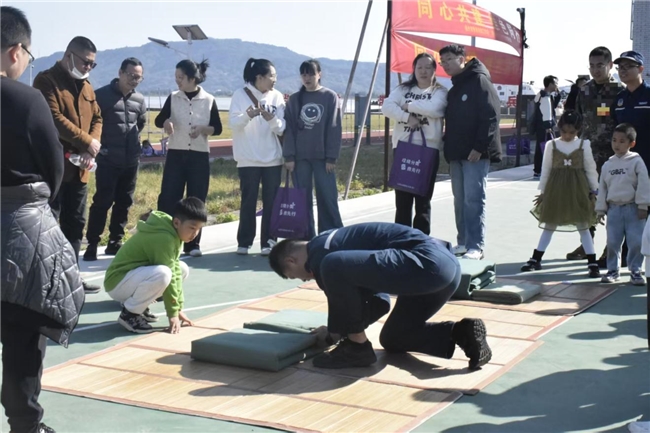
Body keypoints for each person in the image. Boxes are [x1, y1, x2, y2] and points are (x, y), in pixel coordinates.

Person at [1, 7, 84, 433]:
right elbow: (53, 170)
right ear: (16, 51)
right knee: (22, 337)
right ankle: (25, 424)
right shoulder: (25, 99)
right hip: (21, 228)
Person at [268, 222, 492, 370]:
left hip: (427, 262)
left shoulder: (320, 254)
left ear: (291, 261)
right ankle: (462, 333)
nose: (304, 280)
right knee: (394, 338)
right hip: (444, 267)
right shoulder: (334, 242)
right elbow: (379, 303)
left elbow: (343, 302)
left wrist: (333, 335)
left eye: (295, 276)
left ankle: (356, 348)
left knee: (331, 265)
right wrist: (336, 330)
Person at [33, 36, 103, 294]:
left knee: (75, 226)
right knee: (49, 226)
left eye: (92, 64)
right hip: (54, 170)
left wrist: (91, 145)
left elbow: (97, 117)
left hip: (80, 169)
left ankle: (71, 277)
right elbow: (53, 118)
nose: (88, 67)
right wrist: (86, 142)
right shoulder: (46, 81)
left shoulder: (87, 87)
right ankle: (47, 282)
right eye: (86, 62)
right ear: (69, 55)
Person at [103, 197, 207, 334]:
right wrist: (172, 314)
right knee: (163, 274)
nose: (195, 234)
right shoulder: (164, 238)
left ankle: (140, 307)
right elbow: (170, 275)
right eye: (192, 228)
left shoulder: (174, 233)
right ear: (177, 222)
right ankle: (129, 315)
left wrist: (178, 308)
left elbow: (175, 271)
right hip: (117, 283)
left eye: (199, 229)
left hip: (131, 279)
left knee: (182, 269)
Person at [439, 44, 502, 260]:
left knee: (473, 199)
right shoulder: (455, 87)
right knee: (460, 200)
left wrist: (479, 147)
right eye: (442, 61)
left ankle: (476, 245)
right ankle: (463, 242)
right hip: (456, 153)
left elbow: (491, 116)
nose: (445, 64)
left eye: (449, 59)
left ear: (462, 59)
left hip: (475, 154)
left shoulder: (479, 80)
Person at [155, 59, 222, 258]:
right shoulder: (173, 97)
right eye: (176, 77)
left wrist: (203, 129)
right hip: (176, 154)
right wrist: (167, 123)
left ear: (192, 79)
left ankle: (192, 244)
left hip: (199, 156)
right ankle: (167, 241)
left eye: (181, 77)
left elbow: (217, 128)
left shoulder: (209, 99)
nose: (177, 81)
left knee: (196, 199)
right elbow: (159, 119)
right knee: (169, 197)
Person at [521, 111, 600, 277]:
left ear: (578, 130)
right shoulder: (552, 145)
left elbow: (590, 169)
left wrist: (594, 191)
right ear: (559, 128)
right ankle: (536, 258)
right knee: (550, 223)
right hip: (555, 190)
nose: (567, 135)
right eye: (564, 132)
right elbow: (546, 169)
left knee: (583, 225)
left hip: (578, 190)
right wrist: (543, 192)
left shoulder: (584, 145)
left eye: (572, 132)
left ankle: (592, 262)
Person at [83, 57, 147, 261]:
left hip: (131, 161)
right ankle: (92, 243)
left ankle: (115, 242)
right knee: (102, 202)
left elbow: (140, 124)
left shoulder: (140, 100)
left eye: (138, 77)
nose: (134, 80)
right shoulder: (101, 96)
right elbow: (91, 124)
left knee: (124, 202)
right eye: (131, 75)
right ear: (120, 73)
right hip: (108, 160)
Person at [567, 47, 624, 263]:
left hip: (611, 156)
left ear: (610, 65)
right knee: (586, 201)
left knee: (612, 203)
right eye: (592, 66)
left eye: (600, 65)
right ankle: (586, 243)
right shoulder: (584, 91)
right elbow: (579, 120)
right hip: (588, 155)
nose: (595, 70)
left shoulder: (619, 91)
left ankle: (611, 248)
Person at [381, 53, 448, 235]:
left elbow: (435, 108)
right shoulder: (403, 89)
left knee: (423, 202)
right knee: (402, 202)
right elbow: (387, 107)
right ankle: (401, 239)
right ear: (414, 69)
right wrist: (407, 117)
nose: (423, 71)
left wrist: (408, 106)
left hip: (428, 151)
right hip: (403, 149)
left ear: (434, 70)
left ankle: (421, 241)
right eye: (419, 67)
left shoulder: (440, 92)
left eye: (428, 67)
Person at [229, 58, 285, 256]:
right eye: (272, 76)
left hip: (273, 160)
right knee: (248, 201)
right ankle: (244, 242)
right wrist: (248, 115)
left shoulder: (277, 96)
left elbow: (282, 128)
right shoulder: (239, 94)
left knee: (272, 202)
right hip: (247, 159)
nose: (275, 79)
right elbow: (233, 124)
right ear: (259, 77)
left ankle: (269, 242)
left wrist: (272, 119)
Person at [283, 59, 343, 239]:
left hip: (323, 158)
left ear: (319, 75)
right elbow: (289, 129)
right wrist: (289, 156)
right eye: (303, 74)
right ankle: (305, 237)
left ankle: (331, 236)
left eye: (310, 74)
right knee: (302, 199)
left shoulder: (329, 96)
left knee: (327, 197)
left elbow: (334, 128)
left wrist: (331, 157)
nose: (307, 78)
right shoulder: (295, 99)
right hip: (299, 158)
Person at [596, 123, 650, 284]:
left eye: (621, 141)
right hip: (614, 210)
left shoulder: (636, 162)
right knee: (612, 242)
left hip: (633, 209)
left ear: (631, 143)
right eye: (614, 140)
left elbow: (644, 184)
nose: (617, 145)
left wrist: (643, 205)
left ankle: (635, 270)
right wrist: (600, 209)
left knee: (636, 242)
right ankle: (613, 271)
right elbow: (602, 188)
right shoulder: (608, 165)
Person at [611, 51, 650, 171]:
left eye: (628, 66)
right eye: (620, 67)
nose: (623, 71)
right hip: (626, 163)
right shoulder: (619, 98)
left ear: (640, 69)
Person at [532, 75, 562, 178]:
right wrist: (548, 127)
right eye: (555, 83)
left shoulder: (544, 95)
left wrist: (558, 95)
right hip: (545, 126)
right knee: (545, 148)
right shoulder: (545, 97)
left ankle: (538, 170)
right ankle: (540, 170)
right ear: (550, 84)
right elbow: (546, 113)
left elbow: (552, 107)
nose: (557, 85)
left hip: (543, 126)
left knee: (542, 147)